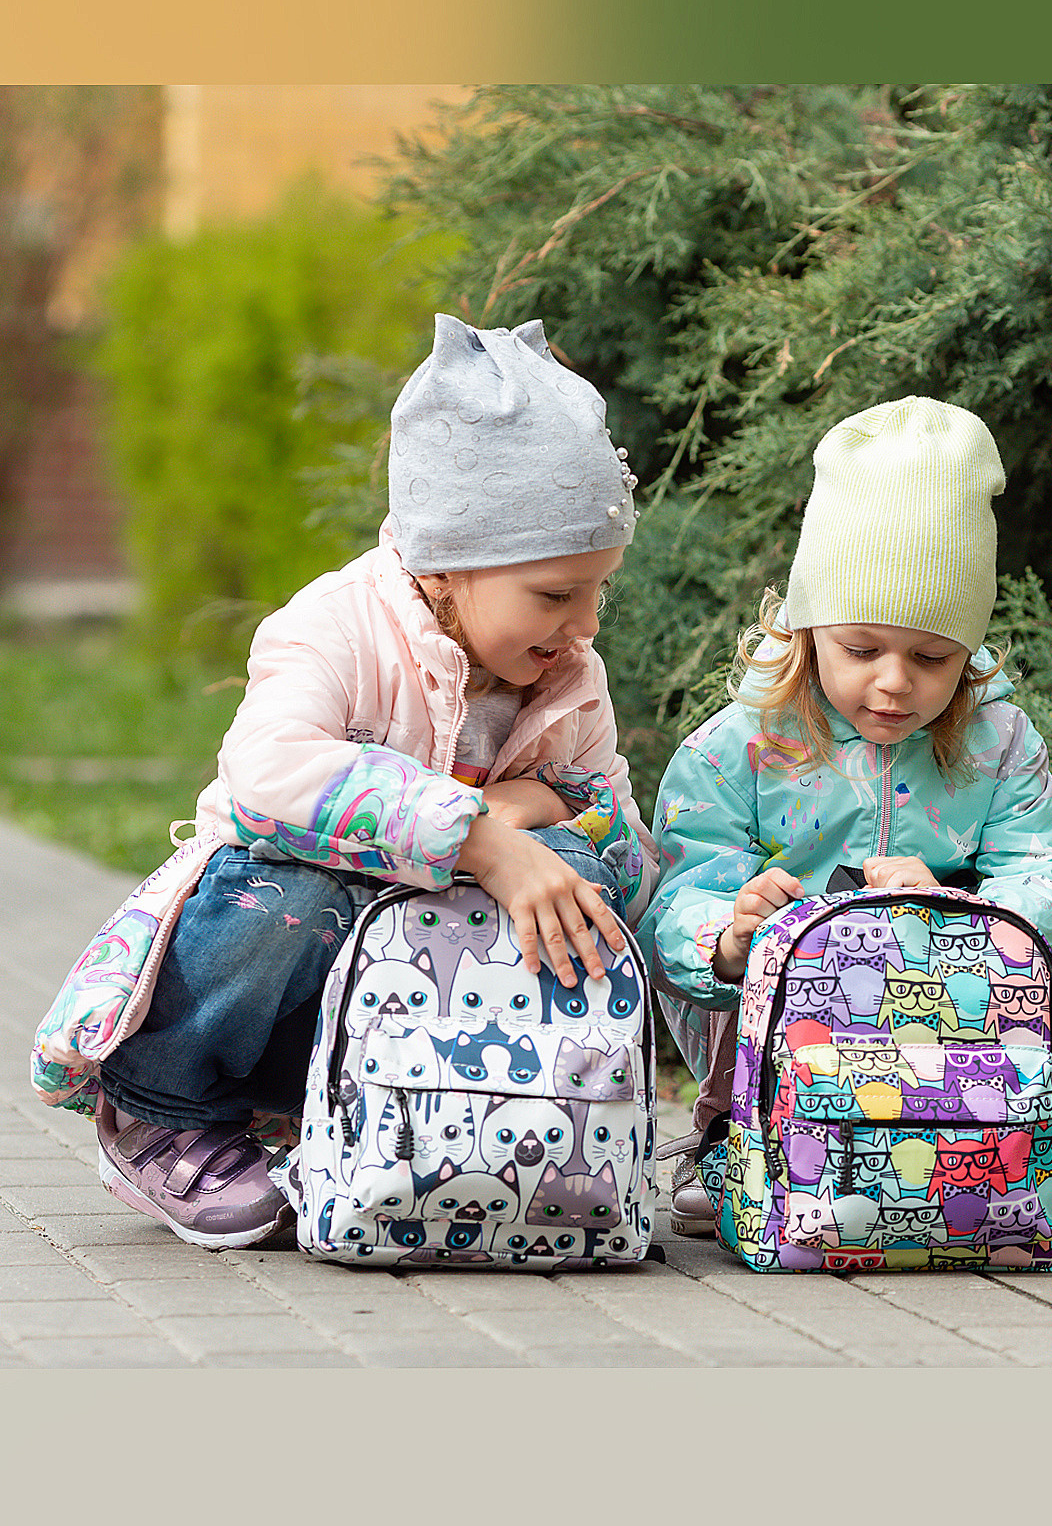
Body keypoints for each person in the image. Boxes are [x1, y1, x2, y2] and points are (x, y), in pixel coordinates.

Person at [32, 314, 657, 1249]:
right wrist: (480, 837)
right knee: (290, 891)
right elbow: (269, 771)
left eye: (600, 589)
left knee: (580, 876)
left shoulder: (569, 680)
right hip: (283, 954)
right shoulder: (334, 627)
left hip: (402, 1027)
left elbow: (627, 843)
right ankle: (167, 1110)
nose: (586, 624)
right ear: (449, 565)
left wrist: (537, 812)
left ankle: (459, 1122)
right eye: (556, 594)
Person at [636, 396, 1052, 1235]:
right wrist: (732, 935)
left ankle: (970, 1150)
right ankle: (737, 1132)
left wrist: (964, 916)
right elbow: (675, 899)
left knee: (989, 973)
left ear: (969, 652)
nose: (894, 682)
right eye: (861, 649)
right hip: (779, 1027)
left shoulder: (997, 744)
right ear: (808, 627)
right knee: (761, 964)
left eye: (932, 657)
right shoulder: (738, 747)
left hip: (943, 1015)